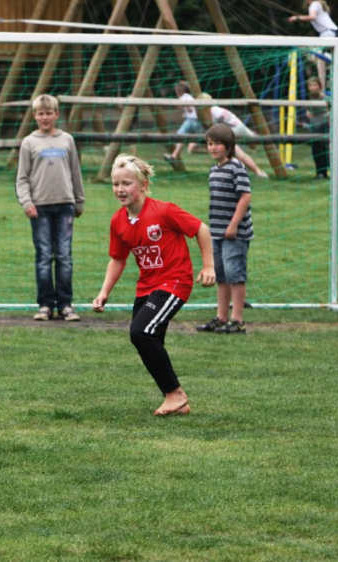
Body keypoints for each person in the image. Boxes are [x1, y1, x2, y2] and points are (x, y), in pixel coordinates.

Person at [92, 155, 215, 416]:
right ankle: (177, 402)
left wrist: (208, 266)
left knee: (140, 332)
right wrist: (104, 293)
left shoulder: (165, 211)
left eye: (126, 183)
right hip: (146, 286)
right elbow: (117, 259)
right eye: (115, 184)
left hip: (175, 281)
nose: (120, 189)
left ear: (144, 184)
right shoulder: (118, 221)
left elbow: (201, 229)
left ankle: (175, 394)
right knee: (149, 339)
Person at [15, 94, 85, 322]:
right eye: (40, 113)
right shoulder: (29, 142)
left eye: (49, 113)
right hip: (40, 208)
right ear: (34, 115)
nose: (45, 117)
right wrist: (27, 202)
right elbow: (22, 178)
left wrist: (79, 199)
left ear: (56, 114)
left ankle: (65, 305)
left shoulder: (67, 140)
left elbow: (75, 172)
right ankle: (45, 305)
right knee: (44, 256)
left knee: (64, 256)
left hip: (65, 206)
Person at [196, 124, 253, 336]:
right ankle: (221, 317)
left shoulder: (237, 167)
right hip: (217, 233)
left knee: (235, 275)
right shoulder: (213, 170)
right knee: (221, 275)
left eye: (217, 144)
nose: (212, 148)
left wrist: (233, 224)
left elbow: (245, 196)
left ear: (228, 146)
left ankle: (237, 320)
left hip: (234, 234)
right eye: (209, 144)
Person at [199, 94, 269, 179]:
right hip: (237, 127)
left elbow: (220, 128)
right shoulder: (210, 111)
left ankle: (258, 172)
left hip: (234, 128)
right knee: (247, 146)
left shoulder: (214, 111)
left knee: (238, 152)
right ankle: (256, 171)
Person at [288, 1, 338, 89]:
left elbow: (312, 17)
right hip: (332, 32)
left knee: (320, 57)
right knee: (323, 58)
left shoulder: (314, 4)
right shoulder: (318, 4)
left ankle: (322, 87)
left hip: (327, 33)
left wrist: (297, 18)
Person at [163, 80, 203, 164]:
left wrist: (182, 106)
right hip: (196, 122)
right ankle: (174, 156)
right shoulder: (189, 97)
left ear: (179, 91)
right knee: (184, 138)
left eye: (176, 91)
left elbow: (184, 104)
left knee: (179, 136)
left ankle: (192, 147)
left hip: (192, 121)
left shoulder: (184, 97)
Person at [304, 77, 331, 178]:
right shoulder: (309, 99)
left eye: (315, 85)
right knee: (315, 150)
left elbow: (331, 112)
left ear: (320, 86)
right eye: (310, 85)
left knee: (323, 148)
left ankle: (323, 172)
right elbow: (308, 112)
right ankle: (319, 172)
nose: (313, 87)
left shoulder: (325, 98)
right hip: (313, 127)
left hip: (324, 126)